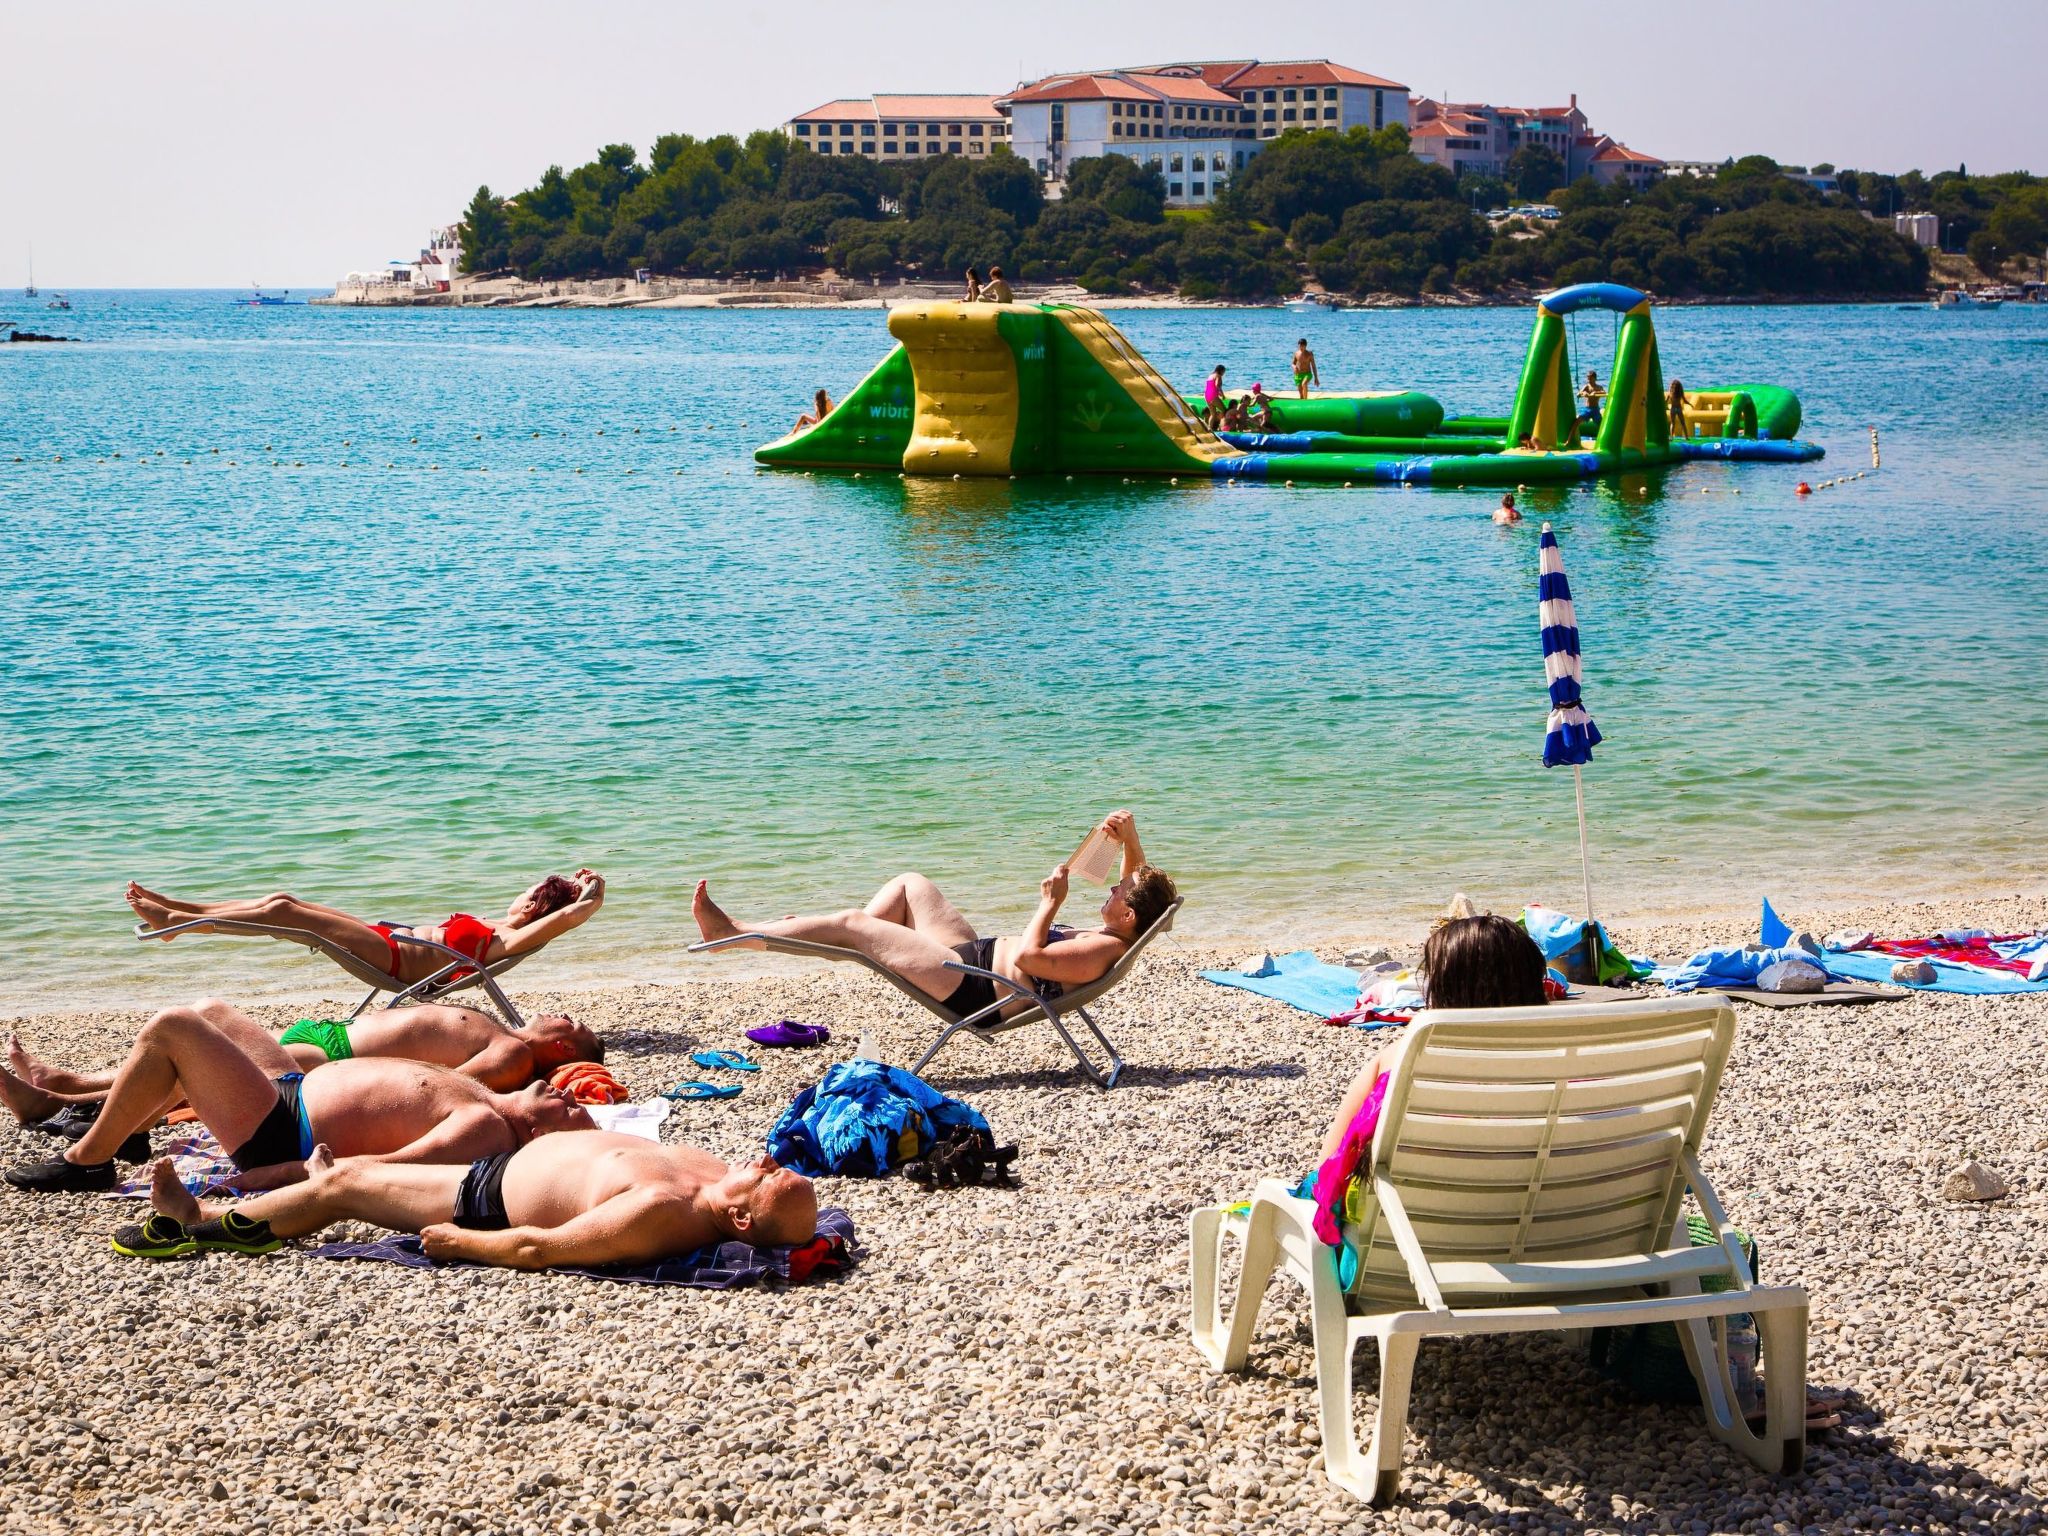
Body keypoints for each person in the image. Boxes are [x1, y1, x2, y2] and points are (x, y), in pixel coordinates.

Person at [2, 998, 591, 1193]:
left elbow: (372, 1170)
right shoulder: (485, 1103)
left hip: (282, 1130)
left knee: (174, 1028)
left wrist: (273, 1177)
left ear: (540, 1136)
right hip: (291, 1089)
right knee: (211, 1011)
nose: (565, 1094)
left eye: (570, 1109)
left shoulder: (485, 1129)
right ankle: (126, 1133)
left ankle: (88, 1161)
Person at [691, 809, 1177, 1023]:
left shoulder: (1102, 948)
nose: (1114, 884)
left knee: (853, 925)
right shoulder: (1122, 930)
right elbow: (1138, 885)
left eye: (1119, 890)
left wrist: (1050, 901)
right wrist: (1129, 840)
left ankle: (736, 934)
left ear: (1129, 915)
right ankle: (807, 935)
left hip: (973, 988)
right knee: (910, 884)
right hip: (972, 958)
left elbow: (1030, 959)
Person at [112, 1131, 819, 1265]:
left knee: (344, 1187)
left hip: (483, 1199)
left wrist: (461, 1242)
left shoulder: (664, 1214)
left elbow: (543, 1248)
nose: (763, 1160)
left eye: (770, 1176)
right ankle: (310, 1186)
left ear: (739, 1216)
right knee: (351, 1172)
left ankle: (197, 1225)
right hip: (501, 1166)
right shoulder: (713, 1175)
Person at [2, 1003, 603, 1122]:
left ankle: (64, 1099)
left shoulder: (515, 1051)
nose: (565, 1014)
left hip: (329, 1060)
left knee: (205, 1050)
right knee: (204, 1039)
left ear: (563, 1050)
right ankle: (75, 1086)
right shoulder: (505, 1031)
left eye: (573, 1025)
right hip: (325, 1035)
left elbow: (443, 1084)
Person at [1317, 914, 1548, 1164]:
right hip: (1562, 1198)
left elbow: (1329, 1166)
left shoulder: (1403, 1058)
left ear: (1445, 992)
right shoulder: (1573, 1060)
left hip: (1411, 1201)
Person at [125, 870, 605, 989]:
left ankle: (177, 924)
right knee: (283, 901)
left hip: (394, 960)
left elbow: (569, 917)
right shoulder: (499, 924)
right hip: (387, 937)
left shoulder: (512, 938)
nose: (522, 898)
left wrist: (591, 895)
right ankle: (178, 910)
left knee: (285, 915)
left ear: (539, 913)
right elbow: (557, 909)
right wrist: (572, 881)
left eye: (532, 900)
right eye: (528, 891)